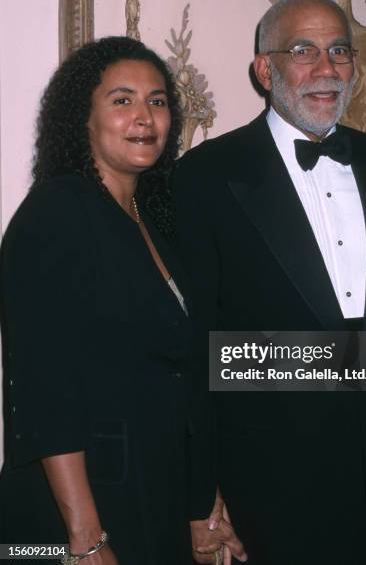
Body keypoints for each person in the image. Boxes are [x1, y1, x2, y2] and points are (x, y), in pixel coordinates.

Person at [173, 0, 366, 564]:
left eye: (339, 51)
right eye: (304, 51)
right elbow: (196, 345)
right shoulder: (205, 175)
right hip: (267, 478)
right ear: (265, 69)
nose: (327, 69)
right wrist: (201, 494)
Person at [0, 36, 217, 565]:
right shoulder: (57, 213)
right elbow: (42, 390)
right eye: (122, 100)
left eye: (158, 101)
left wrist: (204, 505)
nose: (145, 117)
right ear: (84, 119)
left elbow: (182, 374)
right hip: (74, 510)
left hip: (151, 491)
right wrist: (85, 538)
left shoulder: (155, 219)